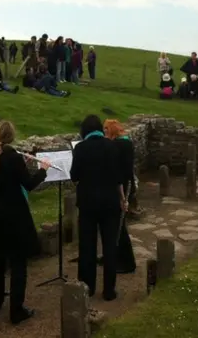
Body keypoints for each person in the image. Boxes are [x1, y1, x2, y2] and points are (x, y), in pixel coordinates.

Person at [0, 121, 51, 325]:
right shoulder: (14, 158)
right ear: (12, 137)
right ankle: (16, 310)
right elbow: (28, 185)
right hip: (15, 217)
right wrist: (43, 169)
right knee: (19, 265)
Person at [70, 114, 125, 300]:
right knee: (110, 246)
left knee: (87, 246)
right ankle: (109, 290)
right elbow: (119, 177)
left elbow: (74, 176)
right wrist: (122, 199)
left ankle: (87, 287)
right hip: (110, 202)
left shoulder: (80, 148)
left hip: (87, 203)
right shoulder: (111, 146)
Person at [103, 119, 137, 274]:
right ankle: (116, 257)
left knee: (119, 226)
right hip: (126, 183)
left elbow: (116, 169)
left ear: (112, 130)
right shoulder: (125, 143)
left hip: (121, 186)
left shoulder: (117, 145)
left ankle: (127, 262)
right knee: (118, 225)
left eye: (106, 129)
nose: (104, 132)